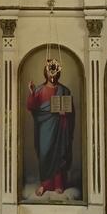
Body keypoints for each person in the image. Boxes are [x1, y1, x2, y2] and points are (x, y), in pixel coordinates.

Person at [26, 57, 75, 197]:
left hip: (60, 127)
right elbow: (32, 107)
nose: (52, 76)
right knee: (45, 154)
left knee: (59, 153)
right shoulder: (40, 90)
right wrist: (31, 92)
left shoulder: (64, 90)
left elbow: (70, 110)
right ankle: (45, 185)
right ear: (46, 73)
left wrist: (64, 113)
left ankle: (58, 184)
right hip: (44, 128)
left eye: (54, 73)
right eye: (50, 72)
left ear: (58, 73)